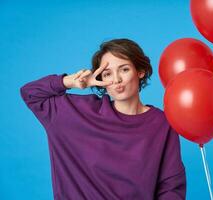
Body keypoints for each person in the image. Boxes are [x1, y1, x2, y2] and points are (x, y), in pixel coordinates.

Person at [20, 38, 186, 200]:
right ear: (101, 80)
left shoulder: (162, 123)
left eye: (124, 69)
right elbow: (30, 94)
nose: (116, 79)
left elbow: (171, 185)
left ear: (140, 71)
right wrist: (69, 82)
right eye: (107, 74)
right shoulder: (77, 112)